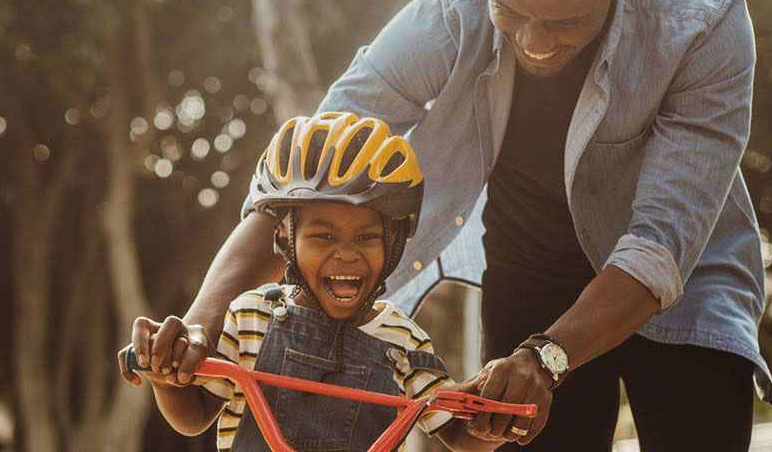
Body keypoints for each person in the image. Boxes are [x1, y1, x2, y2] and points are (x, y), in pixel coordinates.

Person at [123, 0, 772, 450]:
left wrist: (546, 358)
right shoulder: (448, 11)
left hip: (685, 281)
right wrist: (201, 326)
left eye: (564, 22)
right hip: (533, 270)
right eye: (511, 12)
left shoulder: (704, 23)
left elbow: (659, 245)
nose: (534, 44)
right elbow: (312, 172)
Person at [122, 112, 503, 452]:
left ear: (395, 243)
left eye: (367, 237)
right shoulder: (250, 316)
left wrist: (495, 417)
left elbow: (459, 434)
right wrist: (165, 380)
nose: (347, 254)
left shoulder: (402, 338)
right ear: (285, 240)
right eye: (323, 236)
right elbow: (193, 417)